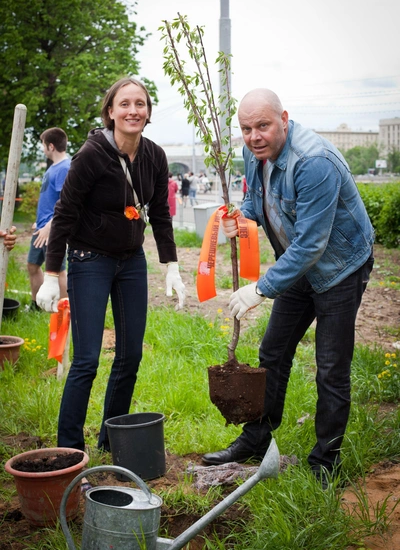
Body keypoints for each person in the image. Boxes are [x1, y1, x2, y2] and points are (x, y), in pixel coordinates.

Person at [202, 88, 374, 488]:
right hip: (299, 265)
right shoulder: (253, 151)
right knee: (272, 352)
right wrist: (239, 219)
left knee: (331, 368)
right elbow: (254, 201)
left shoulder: (314, 162)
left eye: (263, 125)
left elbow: (312, 244)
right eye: (246, 128)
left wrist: (261, 289)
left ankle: (324, 463)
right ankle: (257, 438)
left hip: (340, 268)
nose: (254, 135)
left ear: (284, 118)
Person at [36, 76, 186, 452]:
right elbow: (66, 211)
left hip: (132, 261)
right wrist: (52, 274)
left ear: (148, 112)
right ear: (110, 111)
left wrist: (171, 266)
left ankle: (111, 441)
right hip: (90, 259)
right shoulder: (91, 155)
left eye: (140, 104)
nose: (133, 110)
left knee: (130, 354)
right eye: (125, 104)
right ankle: (70, 448)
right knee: (86, 360)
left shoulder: (154, 156)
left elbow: (162, 214)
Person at [27, 128, 70, 311]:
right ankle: (38, 305)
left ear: (51, 146)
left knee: (58, 271)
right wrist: (40, 222)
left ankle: (64, 310)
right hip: (41, 228)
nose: (43, 149)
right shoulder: (53, 167)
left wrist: (50, 227)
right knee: (32, 265)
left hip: (52, 230)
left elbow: (67, 203)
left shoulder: (65, 168)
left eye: (43, 145)